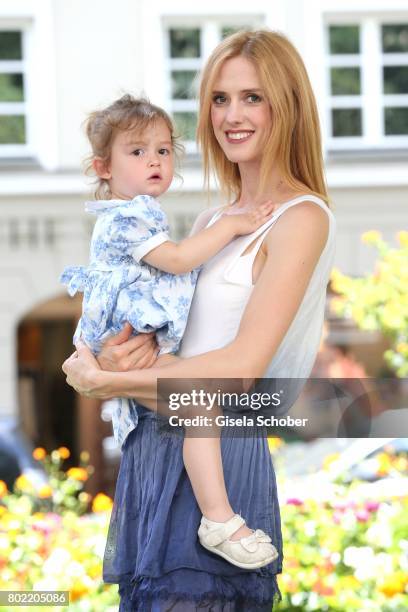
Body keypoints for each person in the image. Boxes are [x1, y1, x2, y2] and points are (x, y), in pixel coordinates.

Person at [62, 29, 336, 612]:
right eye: (219, 98)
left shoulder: (301, 217)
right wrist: (114, 355)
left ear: (286, 105)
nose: (231, 115)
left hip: (221, 449)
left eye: (252, 97)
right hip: (158, 444)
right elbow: (167, 334)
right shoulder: (214, 217)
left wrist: (109, 382)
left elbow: (239, 371)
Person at [60, 93, 278, 569]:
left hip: (128, 341)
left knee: (200, 406)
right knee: (202, 404)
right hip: (125, 340)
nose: (154, 161)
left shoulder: (138, 212)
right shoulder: (127, 217)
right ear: (103, 167)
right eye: (137, 152)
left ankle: (216, 517)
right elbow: (178, 260)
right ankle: (218, 518)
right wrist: (234, 226)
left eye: (162, 150)